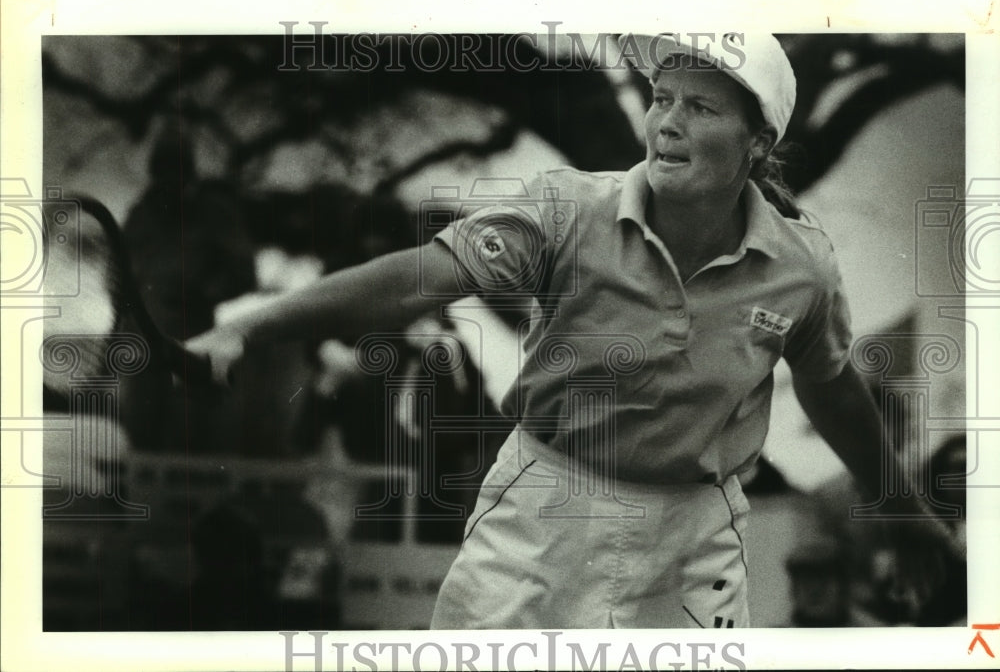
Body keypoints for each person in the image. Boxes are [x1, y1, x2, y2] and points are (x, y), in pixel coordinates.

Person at [187, 32, 959, 629]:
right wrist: (251, 329)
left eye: (702, 106)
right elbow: (419, 277)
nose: (668, 123)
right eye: (663, 97)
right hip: (544, 508)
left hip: (696, 536)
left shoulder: (803, 267)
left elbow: (831, 384)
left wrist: (902, 507)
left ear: (757, 143)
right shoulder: (565, 211)